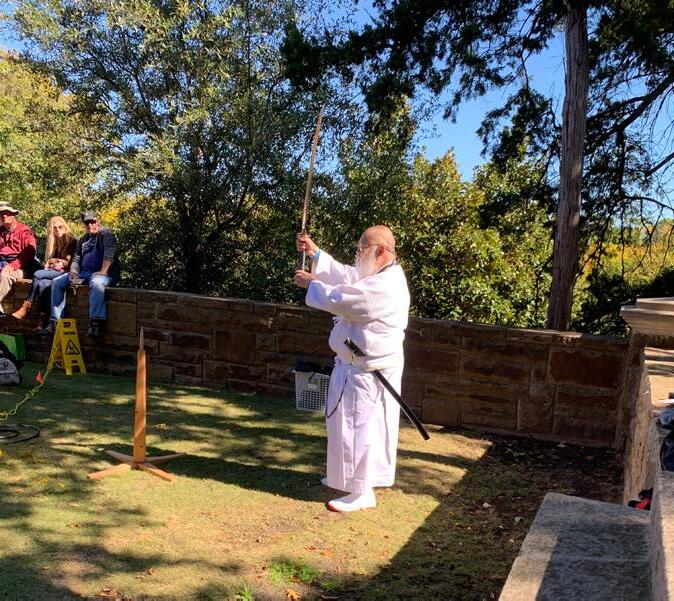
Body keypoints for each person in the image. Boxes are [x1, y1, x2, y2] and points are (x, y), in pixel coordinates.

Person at [293, 225, 410, 513]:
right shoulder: (376, 275)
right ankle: (344, 478)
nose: (357, 255)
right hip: (352, 366)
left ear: (381, 251)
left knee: (360, 430)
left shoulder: (388, 284)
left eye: (362, 250)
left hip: (368, 372)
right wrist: (316, 254)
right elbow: (349, 277)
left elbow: (349, 299)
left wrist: (313, 284)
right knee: (343, 427)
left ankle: (362, 492)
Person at [39, 210, 120, 338]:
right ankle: (55, 321)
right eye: (87, 223)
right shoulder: (83, 239)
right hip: (84, 273)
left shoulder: (106, 234)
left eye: (92, 222)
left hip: (105, 273)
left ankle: (96, 323)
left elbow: (109, 254)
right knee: (57, 282)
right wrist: (73, 272)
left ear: (97, 221)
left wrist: (103, 271)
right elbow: (76, 260)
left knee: (96, 283)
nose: (90, 225)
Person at [12, 216, 77, 328]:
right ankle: (43, 318)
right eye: (54, 228)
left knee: (38, 274)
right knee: (43, 284)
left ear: (65, 227)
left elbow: (68, 262)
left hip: (67, 273)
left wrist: (54, 262)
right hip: (54, 271)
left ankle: (27, 304)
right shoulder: (54, 242)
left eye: (60, 227)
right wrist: (51, 262)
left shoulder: (72, 241)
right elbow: (49, 262)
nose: (58, 230)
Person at [0, 202, 37, 318]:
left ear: (13, 215)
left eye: (6, 213)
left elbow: (30, 252)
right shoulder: (1, 231)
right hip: (3, 263)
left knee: (6, 275)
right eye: (1, 214)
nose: (4, 216)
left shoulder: (24, 230)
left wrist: (13, 265)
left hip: (23, 266)